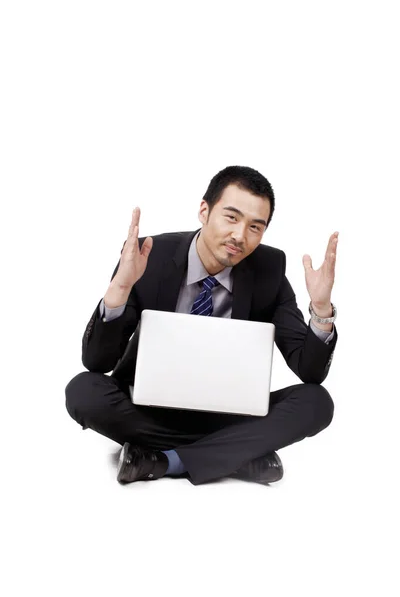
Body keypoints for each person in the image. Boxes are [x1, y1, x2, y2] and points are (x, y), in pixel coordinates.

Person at [65, 165, 338, 487]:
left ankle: (164, 460)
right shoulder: (148, 256)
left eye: (255, 226)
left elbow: (309, 372)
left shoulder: (269, 269)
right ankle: (234, 456)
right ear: (204, 211)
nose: (240, 235)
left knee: (316, 401)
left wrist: (321, 309)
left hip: (230, 412)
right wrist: (119, 291)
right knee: (83, 390)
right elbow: (98, 362)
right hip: (147, 406)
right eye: (231, 217)